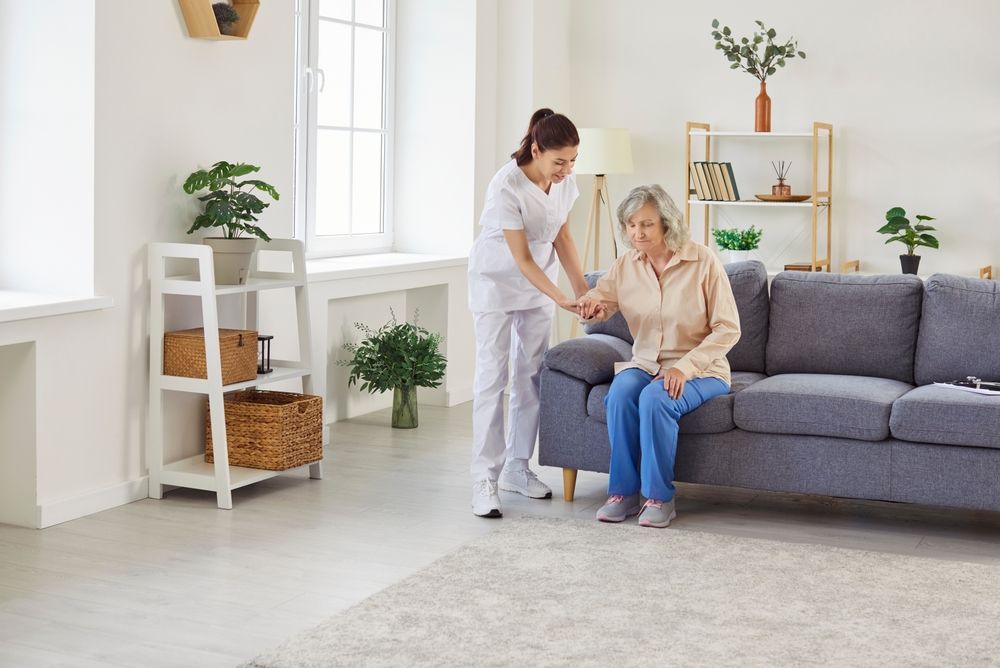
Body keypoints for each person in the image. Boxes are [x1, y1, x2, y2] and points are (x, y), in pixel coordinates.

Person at [578, 184, 740, 528]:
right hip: (646, 362)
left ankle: (660, 497)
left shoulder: (702, 261)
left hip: (702, 370)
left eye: (647, 224)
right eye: (631, 224)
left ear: (666, 223)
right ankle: (622, 492)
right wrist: (590, 308)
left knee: (656, 397)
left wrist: (684, 368)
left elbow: (728, 328)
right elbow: (601, 301)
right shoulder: (626, 265)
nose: (638, 232)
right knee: (620, 393)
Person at [468, 108, 590, 518]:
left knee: (532, 374)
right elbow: (520, 259)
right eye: (559, 161)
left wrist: (583, 291)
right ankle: (484, 477)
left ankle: (518, 468)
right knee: (492, 377)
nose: (567, 169)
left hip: (540, 284)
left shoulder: (565, 181)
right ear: (536, 150)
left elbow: (563, 236)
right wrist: (561, 298)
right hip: (497, 281)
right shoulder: (506, 185)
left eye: (573, 160)